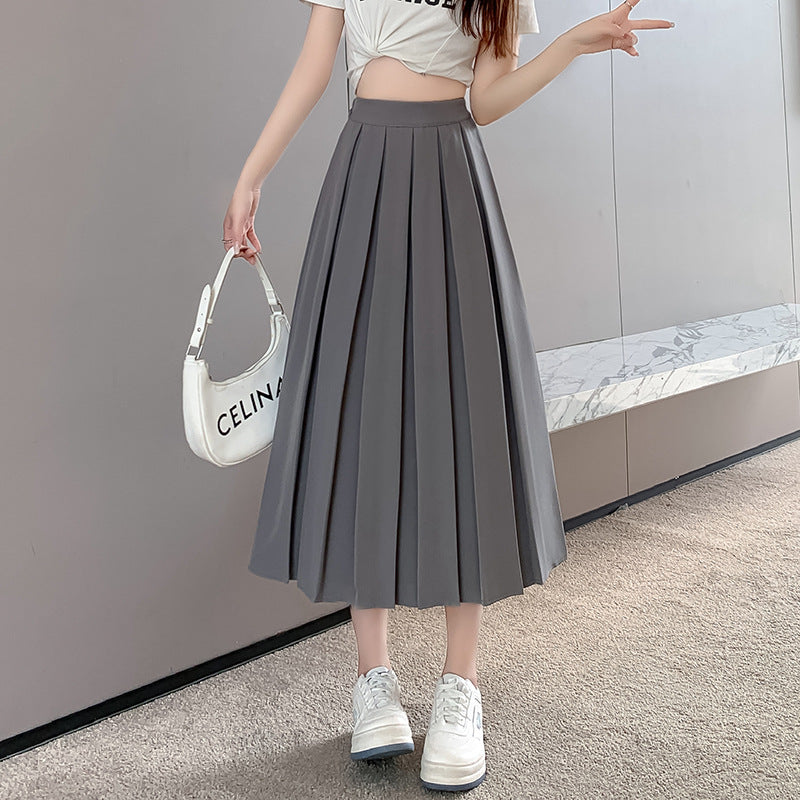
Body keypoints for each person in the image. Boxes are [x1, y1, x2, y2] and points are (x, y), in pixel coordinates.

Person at [223, 0, 674, 791]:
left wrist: (571, 42)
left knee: (462, 416)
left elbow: (486, 99)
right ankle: (375, 682)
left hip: (450, 178)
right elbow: (315, 65)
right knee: (364, 420)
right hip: (363, 176)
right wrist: (250, 175)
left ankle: (460, 687)